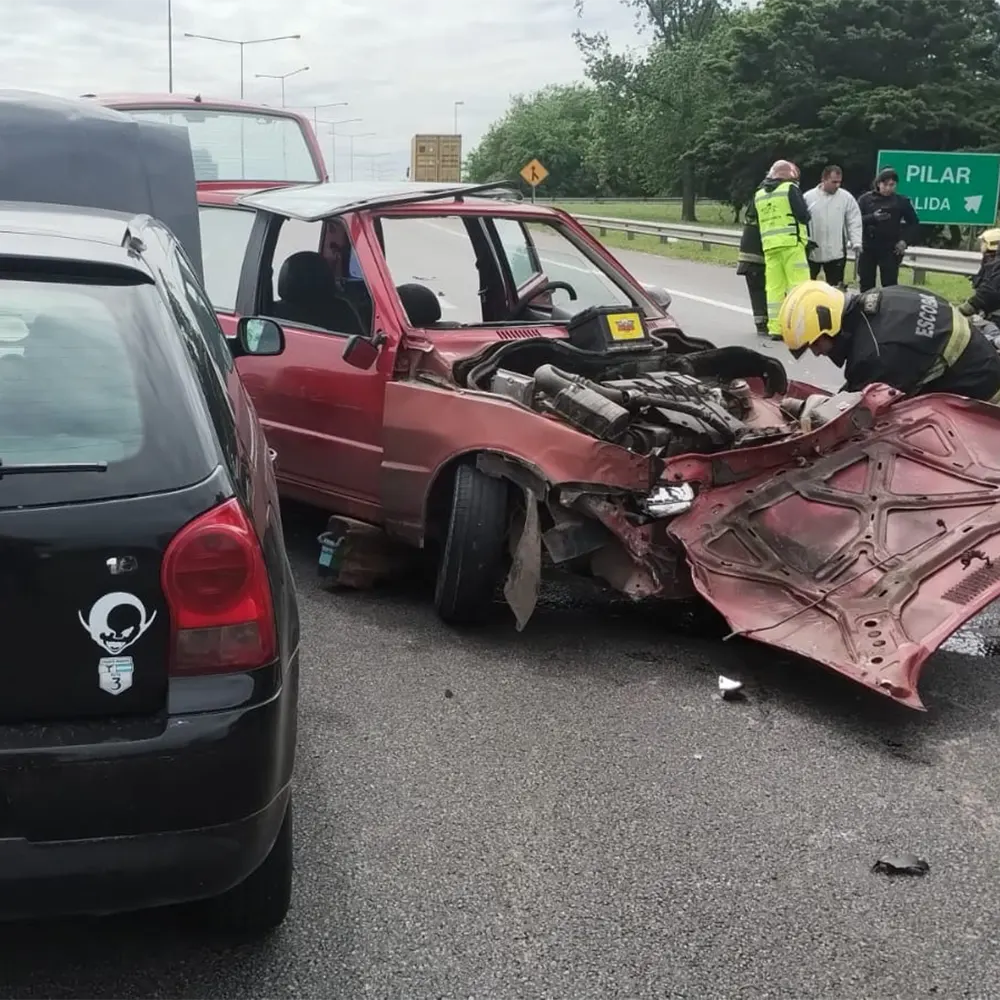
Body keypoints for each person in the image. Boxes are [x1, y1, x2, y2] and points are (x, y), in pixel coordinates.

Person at [777, 279, 1000, 403]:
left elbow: (859, 411)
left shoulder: (875, 353)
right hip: (982, 360)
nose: (816, 353)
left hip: (983, 394)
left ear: (830, 325)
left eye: (814, 344)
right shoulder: (882, 297)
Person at [744, 159, 811, 339]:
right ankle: (798, 328)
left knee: (774, 289)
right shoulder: (790, 189)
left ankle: (775, 328)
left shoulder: (759, 194)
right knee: (798, 287)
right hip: (791, 244)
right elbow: (804, 215)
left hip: (770, 247)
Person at [856, 168, 920, 292]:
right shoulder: (865, 200)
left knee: (890, 285)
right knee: (866, 283)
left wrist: (904, 241)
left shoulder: (901, 201)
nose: (888, 188)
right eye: (885, 185)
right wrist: (873, 217)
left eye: (892, 185)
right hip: (868, 246)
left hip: (890, 248)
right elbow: (855, 220)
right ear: (878, 183)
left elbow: (914, 223)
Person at [803, 165, 862, 287]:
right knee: (807, 286)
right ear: (824, 180)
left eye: (839, 182)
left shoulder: (846, 197)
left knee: (835, 288)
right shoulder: (808, 197)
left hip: (836, 252)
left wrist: (856, 241)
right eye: (834, 182)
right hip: (812, 251)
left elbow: (854, 220)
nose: (837, 185)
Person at [736, 198, 768, 336]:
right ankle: (767, 324)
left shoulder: (754, 205)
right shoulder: (770, 210)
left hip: (747, 259)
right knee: (764, 291)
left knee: (756, 293)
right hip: (759, 259)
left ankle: (760, 324)